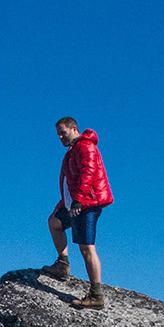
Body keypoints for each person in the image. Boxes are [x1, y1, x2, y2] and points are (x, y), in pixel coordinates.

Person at [41, 116, 114, 309]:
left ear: (74, 129)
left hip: (86, 204)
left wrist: (79, 200)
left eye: (63, 133)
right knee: (54, 222)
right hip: (73, 204)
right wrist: (63, 203)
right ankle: (62, 264)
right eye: (58, 135)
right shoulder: (71, 152)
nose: (60, 138)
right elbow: (69, 183)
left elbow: (88, 172)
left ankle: (96, 295)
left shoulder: (85, 147)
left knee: (87, 248)